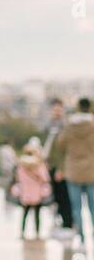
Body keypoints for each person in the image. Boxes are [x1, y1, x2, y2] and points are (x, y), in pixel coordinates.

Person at [52, 97, 94, 245]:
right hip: (91, 171)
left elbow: (60, 145)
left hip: (73, 171)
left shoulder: (69, 126)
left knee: (76, 207)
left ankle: (81, 237)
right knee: (93, 206)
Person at [43, 98, 74, 238]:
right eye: (54, 109)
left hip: (62, 167)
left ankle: (68, 223)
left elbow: (66, 150)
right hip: (51, 165)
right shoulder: (50, 126)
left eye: (59, 109)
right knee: (56, 196)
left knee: (64, 195)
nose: (57, 112)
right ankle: (62, 222)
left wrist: (62, 168)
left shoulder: (65, 126)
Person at [14, 138, 51, 239]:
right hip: (37, 192)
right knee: (37, 215)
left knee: (24, 214)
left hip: (25, 193)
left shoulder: (21, 165)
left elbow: (18, 178)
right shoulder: (39, 164)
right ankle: (37, 233)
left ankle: (22, 232)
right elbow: (45, 178)